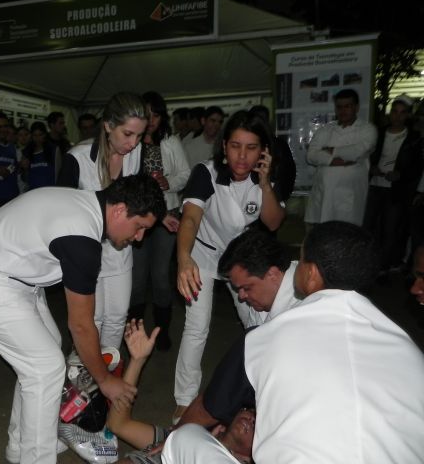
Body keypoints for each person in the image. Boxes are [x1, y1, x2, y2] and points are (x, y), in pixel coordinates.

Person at [0, 174, 166, 464]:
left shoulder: (86, 205)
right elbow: (81, 324)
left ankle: (20, 444)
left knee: (46, 350)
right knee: (45, 367)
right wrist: (104, 380)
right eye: (139, 227)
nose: (139, 238)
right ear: (119, 210)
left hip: (12, 278)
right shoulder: (82, 239)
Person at [176, 221, 424, 463]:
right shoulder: (408, 349)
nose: (294, 266)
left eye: (301, 259)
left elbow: (210, 407)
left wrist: (173, 438)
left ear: (312, 274)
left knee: (184, 438)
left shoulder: (269, 336)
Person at [173, 109, 290, 423]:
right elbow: (191, 218)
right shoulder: (206, 172)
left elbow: (273, 221)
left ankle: (260, 390)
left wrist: (265, 185)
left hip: (242, 259)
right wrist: (184, 258)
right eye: (236, 146)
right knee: (197, 326)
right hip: (203, 254)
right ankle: (184, 399)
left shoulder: (266, 176)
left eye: (251, 148)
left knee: (258, 321)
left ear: (263, 150)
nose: (242, 155)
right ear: (224, 145)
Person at [57, 92, 178, 349]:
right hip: (86, 252)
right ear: (108, 125)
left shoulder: (135, 152)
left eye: (139, 135)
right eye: (128, 134)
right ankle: (85, 370)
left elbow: (139, 197)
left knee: (117, 318)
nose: (133, 143)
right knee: (93, 319)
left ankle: (109, 367)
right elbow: (61, 211)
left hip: (121, 250)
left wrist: (160, 216)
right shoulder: (77, 158)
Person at [105, 320, 254, 464]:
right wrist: (137, 361)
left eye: (258, 426)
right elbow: (118, 424)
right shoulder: (184, 434)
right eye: (252, 412)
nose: (252, 419)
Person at [128, 91, 190, 351]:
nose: (151, 120)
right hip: (138, 217)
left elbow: (185, 174)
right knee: (137, 277)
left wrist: (169, 182)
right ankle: (135, 332)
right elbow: (126, 181)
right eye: (147, 114)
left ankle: (162, 331)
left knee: (161, 275)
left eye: (156, 114)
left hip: (168, 215)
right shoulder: (132, 141)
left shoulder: (170, 140)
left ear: (162, 116)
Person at [363, 94, 423, 275]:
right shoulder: (379, 133)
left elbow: (416, 167)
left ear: (408, 115)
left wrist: (400, 175)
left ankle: (383, 267)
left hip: (395, 190)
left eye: (402, 112)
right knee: (369, 226)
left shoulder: (414, 138)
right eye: (395, 111)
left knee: (390, 229)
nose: (398, 116)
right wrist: (371, 167)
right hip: (375, 185)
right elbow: (366, 155)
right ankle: (367, 263)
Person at [305, 88, 377, 226]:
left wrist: (331, 150)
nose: (342, 111)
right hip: (323, 195)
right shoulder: (325, 130)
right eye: (339, 107)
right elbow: (311, 155)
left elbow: (357, 152)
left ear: (356, 107)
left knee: (347, 233)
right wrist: (332, 161)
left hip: (350, 197)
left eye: (347, 106)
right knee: (322, 233)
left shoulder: (367, 129)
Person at [217, 228, 300, 324]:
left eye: (246, 288)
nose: (241, 296)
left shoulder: (306, 309)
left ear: (272, 274)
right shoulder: (263, 298)